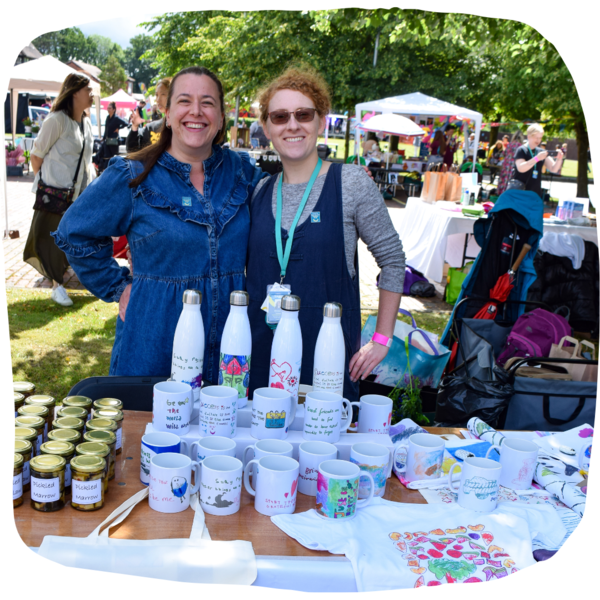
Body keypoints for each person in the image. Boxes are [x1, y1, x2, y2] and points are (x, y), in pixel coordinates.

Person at [52, 66, 265, 380]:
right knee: (149, 427)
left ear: (221, 117)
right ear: (167, 114)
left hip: (229, 347)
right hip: (153, 342)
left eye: (207, 102)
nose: (196, 111)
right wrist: (119, 287)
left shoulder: (242, 173)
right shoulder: (132, 175)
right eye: (184, 101)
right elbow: (74, 232)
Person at [245, 67, 406, 402]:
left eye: (303, 114)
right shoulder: (259, 191)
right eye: (279, 116)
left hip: (328, 360)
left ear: (320, 121)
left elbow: (393, 260)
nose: (292, 125)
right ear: (267, 128)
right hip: (263, 358)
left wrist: (382, 340)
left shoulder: (349, 183)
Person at [24, 73, 95, 307]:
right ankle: (57, 287)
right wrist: (46, 184)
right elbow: (36, 156)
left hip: (78, 195)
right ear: (75, 92)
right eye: (88, 89)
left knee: (70, 238)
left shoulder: (86, 122)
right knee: (53, 239)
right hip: (55, 193)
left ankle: (64, 277)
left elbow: (86, 161)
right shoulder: (56, 120)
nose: (92, 93)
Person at [507, 124, 564, 198]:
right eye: (536, 137)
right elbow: (521, 168)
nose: (538, 140)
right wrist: (537, 158)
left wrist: (559, 159)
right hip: (520, 191)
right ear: (529, 136)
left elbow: (554, 169)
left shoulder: (541, 151)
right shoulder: (521, 150)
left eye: (540, 138)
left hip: (535, 192)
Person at [127, 77, 171, 151]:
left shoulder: (184, 127)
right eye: (157, 95)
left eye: (163, 94)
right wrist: (134, 127)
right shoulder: (151, 128)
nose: (158, 99)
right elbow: (132, 150)